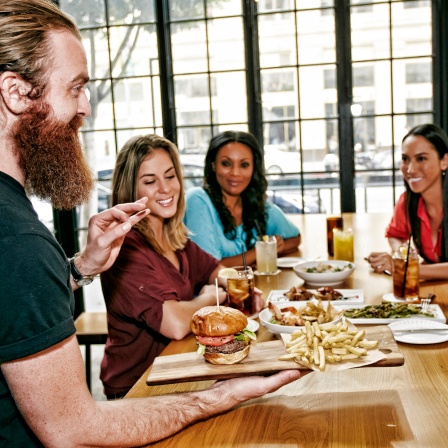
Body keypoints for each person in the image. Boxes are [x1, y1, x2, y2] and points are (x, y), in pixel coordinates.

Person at [0, 2, 305, 446]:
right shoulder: (18, 238)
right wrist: (219, 397)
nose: (85, 107)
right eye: (76, 87)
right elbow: (74, 431)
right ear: (15, 92)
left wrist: (80, 267)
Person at [100, 134, 264, 398]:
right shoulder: (125, 248)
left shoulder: (174, 236)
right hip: (138, 388)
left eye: (170, 176)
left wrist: (238, 286)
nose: (165, 189)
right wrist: (210, 297)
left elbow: (215, 270)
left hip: (181, 369)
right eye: (150, 181)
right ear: (131, 190)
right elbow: (175, 323)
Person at [184, 131, 302, 267]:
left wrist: (273, 247)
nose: (235, 172)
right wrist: (262, 250)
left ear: (253, 168)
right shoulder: (197, 200)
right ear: (213, 165)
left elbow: (295, 238)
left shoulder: (257, 205)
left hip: (256, 287)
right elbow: (209, 268)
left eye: (244, 165)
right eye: (226, 163)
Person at [367, 123, 448, 280]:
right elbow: (394, 235)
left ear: (444, 161)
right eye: (405, 159)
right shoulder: (407, 202)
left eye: (421, 158)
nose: (410, 169)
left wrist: (405, 267)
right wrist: (402, 251)